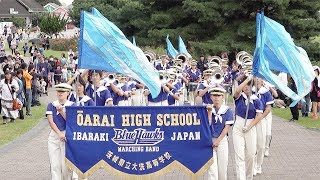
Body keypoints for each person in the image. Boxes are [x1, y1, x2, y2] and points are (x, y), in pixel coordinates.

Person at [233, 76, 263, 180]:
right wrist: (247, 79)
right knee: (239, 156)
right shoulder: (239, 97)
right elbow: (237, 91)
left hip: (250, 125)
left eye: (249, 85)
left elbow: (259, 116)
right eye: (245, 85)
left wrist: (249, 126)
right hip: (238, 125)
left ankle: (249, 177)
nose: (247, 87)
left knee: (250, 155)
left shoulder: (256, 100)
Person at [46, 83, 74, 180]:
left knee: (65, 166)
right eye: (59, 91)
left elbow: (71, 122)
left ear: (68, 93)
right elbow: (51, 121)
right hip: (55, 136)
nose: (60, 93)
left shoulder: (72, 105)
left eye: (63, 91)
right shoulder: (51, 105)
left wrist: (62, 111)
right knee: (55, 165)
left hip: (67, 136)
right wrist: (59, 133)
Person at [207, 85, 234, 180]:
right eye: (214, 95)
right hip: (210, 141)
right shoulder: (207, 109)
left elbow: (226, 128)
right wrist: (209, 112)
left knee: (222, 169)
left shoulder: (227, 110)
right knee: (212, 170)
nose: (216, 97)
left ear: (223, 97)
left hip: (221, 141)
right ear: (211, 97)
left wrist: (218, 141)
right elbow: (207, 125)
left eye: (219, 95)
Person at [254, 78, 274, 175]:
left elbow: (268, 109)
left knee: (261, 145)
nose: (257, 80)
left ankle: (258, 165)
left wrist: (260, 118)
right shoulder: (250, 91)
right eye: (255, 78)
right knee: (252, 144)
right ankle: (253, 165)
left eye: (259, 78)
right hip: (251, 120)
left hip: (262, 120)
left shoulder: (266, 92)